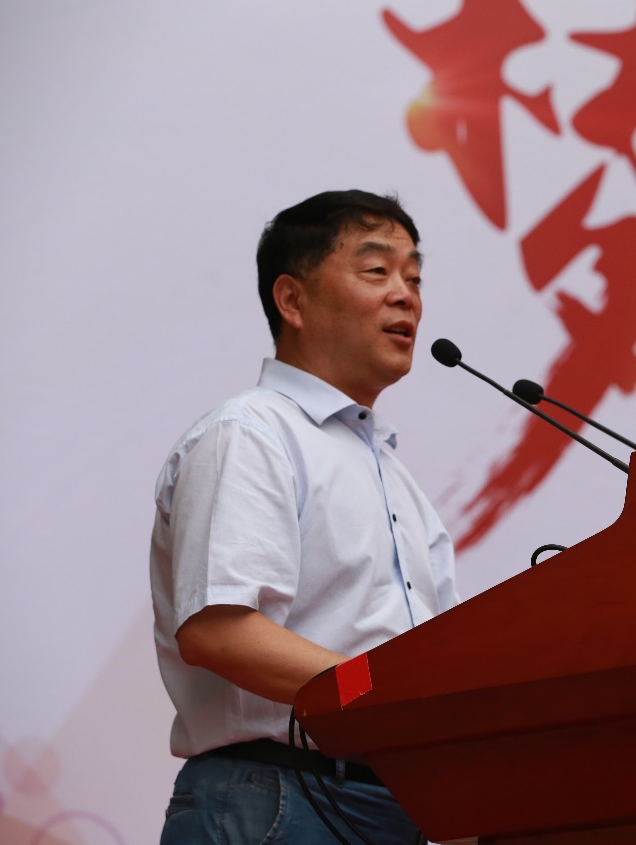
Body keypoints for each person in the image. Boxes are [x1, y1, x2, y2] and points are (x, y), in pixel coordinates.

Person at [150, 190, 458, 844]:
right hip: (277, 796)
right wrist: (383, 692)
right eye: (377, 271)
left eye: (414, 278)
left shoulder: (394, 476)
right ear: (292, 300)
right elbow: (220, 631)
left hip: (401, 806)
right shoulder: (250, 433)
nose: (405, 296)